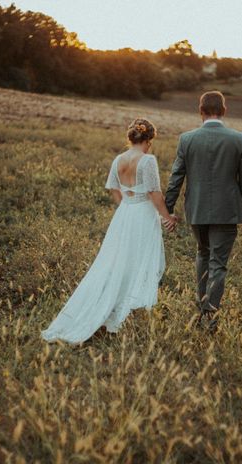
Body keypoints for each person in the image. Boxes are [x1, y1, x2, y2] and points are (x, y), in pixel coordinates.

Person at [41, 118, 175, 344]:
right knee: (137, 261)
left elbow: (114, 187)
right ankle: (121, 313)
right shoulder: (148, 160)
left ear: (130, 137)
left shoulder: (118, 159)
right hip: (142, 215)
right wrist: (167, 217)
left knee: (115, 261)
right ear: (149, 140)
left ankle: (113, 311)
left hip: (124, 214)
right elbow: (154, 193)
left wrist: (126, 205)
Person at [165, 91, 242, 332]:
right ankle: (210, 315)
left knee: (203, 254)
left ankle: (203, 309)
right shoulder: (238, 139)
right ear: (223, 110)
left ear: (200, 110)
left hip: (197, 209)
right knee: (218, 263)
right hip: (227, 212)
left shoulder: (187, 139)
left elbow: (176, 177)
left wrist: (167, 209)